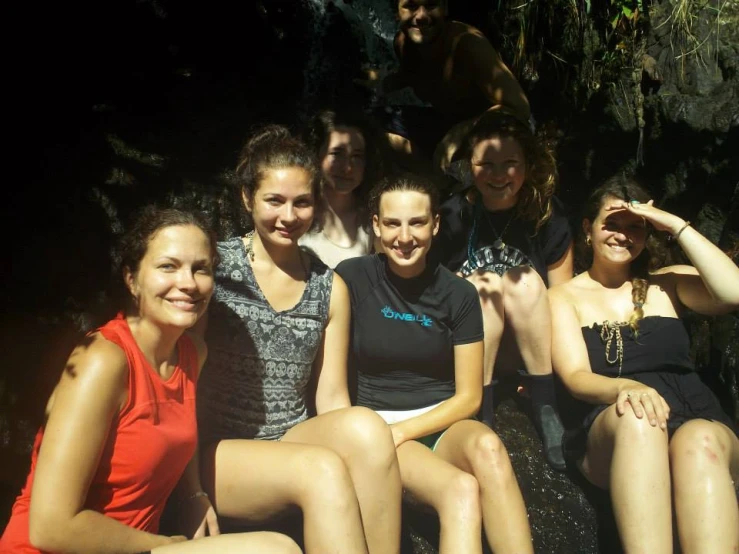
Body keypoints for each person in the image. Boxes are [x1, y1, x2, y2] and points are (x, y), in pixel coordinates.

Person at [0, 207, 300, 554]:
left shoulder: (191, 354)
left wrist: (193, 494)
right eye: (168, 266)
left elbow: (179, 431)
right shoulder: (105, 361)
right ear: (132, 279)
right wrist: (165, 545)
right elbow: (50, 528)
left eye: (200, 268)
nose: (188, 283)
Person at [195, 125, 402, 554]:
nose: (288, 217)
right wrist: (185, 489)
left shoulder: (330, 286)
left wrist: (362, 447)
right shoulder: (215, 268)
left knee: (367, 426)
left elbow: (332, 399)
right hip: (219, 452)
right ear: (247, 198)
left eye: (302, 202)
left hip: (290, 441)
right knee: (322, 469)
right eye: (274, 200)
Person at [336, 173, 533, 554]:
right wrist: (383, 434)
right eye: (392, 223)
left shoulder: (459, 294)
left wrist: (406, 430)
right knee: (461, 489)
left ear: (436, 224)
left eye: (417, 222)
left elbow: (469, 397)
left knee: (490, 449)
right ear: (376, 225)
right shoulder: (352, 278)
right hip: (379, 425)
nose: (404, 237)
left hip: (440, 421)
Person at [549, 176, 739, 553]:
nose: (623, 235)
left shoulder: (667, 284)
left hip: (693, 412)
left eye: (635, 227)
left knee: (699, 440)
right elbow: (575, 377)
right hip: (614, 423)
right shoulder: (562, 297)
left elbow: (733, 292)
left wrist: (674, 224)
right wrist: (625, 387)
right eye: (612, 224)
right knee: (639, 417)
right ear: (588, 229)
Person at [431, 111, 573, 470]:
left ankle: (545, 402)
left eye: (510, 163)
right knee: (486, 284)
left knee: (522, 280)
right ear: (469, 165)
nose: (498, 175)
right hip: (466, 349)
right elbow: (431, 294)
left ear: (528, 165)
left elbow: (563, 298)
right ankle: (481, 406)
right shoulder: (449, 217)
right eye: (486, 164)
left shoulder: (547, 216)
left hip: (529, 347)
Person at [369, 0, 530, 170]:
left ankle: (442, 181)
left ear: (445, 8)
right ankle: (432, 179)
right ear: (397, 12)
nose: (421, 16)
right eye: (411, 6)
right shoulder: (403, 43)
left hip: (493, 135)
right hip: (445, 124)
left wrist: (461, 132)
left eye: (431, 5)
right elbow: (415, 75)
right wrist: (383, 83)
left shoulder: (468, 44)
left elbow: (520, 109)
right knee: (370, 124)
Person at [299, 109, 380, 268]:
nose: (347, 167)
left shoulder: (373, 220)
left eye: (356, 156)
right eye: (337, 154)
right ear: (316, 155)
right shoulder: (296, 212)